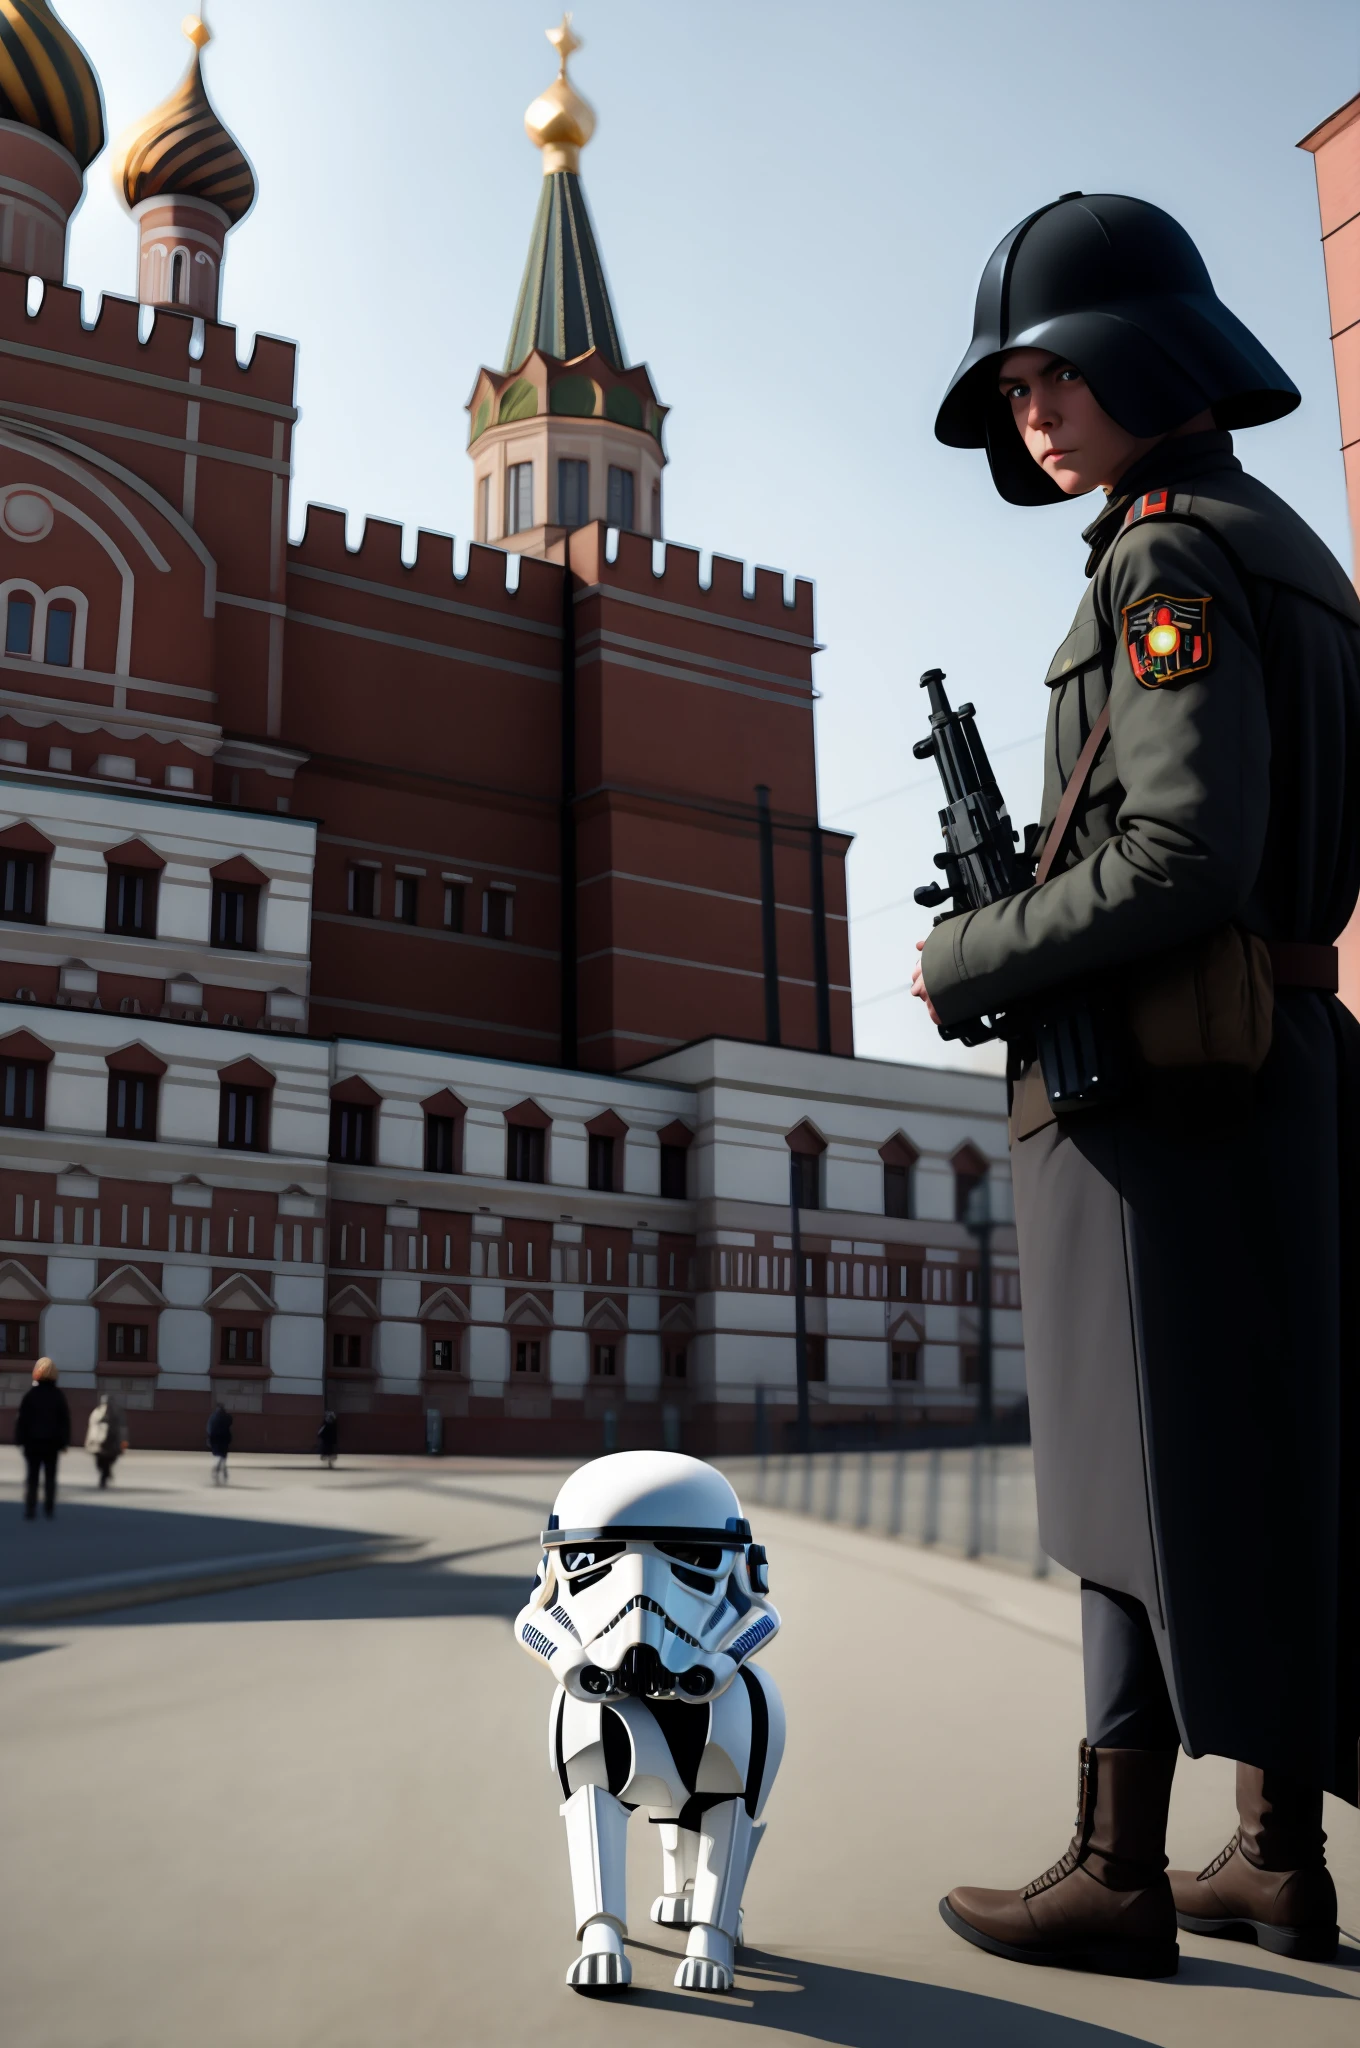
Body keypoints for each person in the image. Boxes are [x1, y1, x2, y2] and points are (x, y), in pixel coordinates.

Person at [916, 192, 1359, 1977]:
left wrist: (974, 955)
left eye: (1058, 369)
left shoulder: (1162, 559)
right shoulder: (1295, 550)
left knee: (1132, 1476)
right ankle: (1274, 1854)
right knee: (1272, 1462)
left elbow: (1179, 848)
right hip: (1289, 1056)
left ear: (1151, 357)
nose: (1033, 407)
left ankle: (1115, 1868)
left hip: (1166, 1083)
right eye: (1013, 383)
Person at [15, 1358, 71, 1519]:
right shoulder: (58, 1396)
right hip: (52, 1443)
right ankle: (49, 1508)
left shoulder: (30, 1395)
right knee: (50, 1477)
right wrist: (64, 1442)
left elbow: (22, 1419)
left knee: (32, 1476)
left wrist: (20, 1439)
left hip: (32, 1443)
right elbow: (64, 1421)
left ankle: (31, 1508)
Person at [84, 1392, 127, 1488]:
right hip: (99, 1442)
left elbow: (122, 1427)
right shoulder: (97, 1412)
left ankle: (104, 1476)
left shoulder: (117, 1412)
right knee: (101, 1462)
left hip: (112, 1441)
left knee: (107, 1461)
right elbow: (92, 1427)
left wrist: (123, 1441)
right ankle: (106, 1474)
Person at [206, 1401, 232, 1483]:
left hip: (215, 1438)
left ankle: (221, 1469)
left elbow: (209, 1428)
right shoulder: (226, 1417)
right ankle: (222, 1469)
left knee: (220, 1455)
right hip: (223, 1438)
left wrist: (209, 1438)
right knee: (222, 1455)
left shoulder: (213, 1417)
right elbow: (230, 1422)